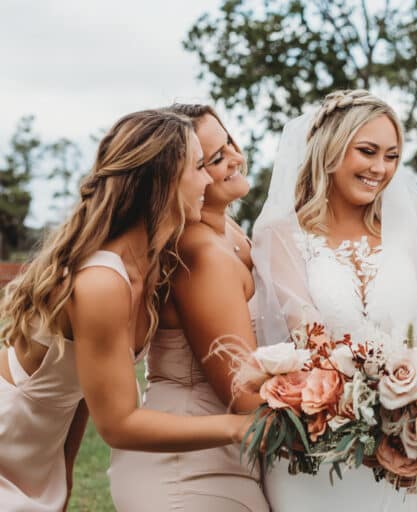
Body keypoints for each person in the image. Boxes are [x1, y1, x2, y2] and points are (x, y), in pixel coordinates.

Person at [0, 109, 253, 512]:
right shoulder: (102, 281)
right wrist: (242, 427)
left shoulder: (152, 264)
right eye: (198, 167)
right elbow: (117, 424)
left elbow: (86, 391)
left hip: (38, 452)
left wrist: (61, 479)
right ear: (163, 182)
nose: (208, 178)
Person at [250, 89, 417, 511]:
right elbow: (308, 337)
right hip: (321, 448)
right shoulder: (280, 235)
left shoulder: (413, 228)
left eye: (391, 156)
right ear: (330, 150)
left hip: (410, 443)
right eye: (367, 152)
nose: (380, 168)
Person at [109, 105, 269, 511]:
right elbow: (244, 392)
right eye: (213, 160)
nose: (234, 156)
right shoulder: (201, 253)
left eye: (229, 141)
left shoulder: (230, 232)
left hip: (231, 449)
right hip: (188, 463)